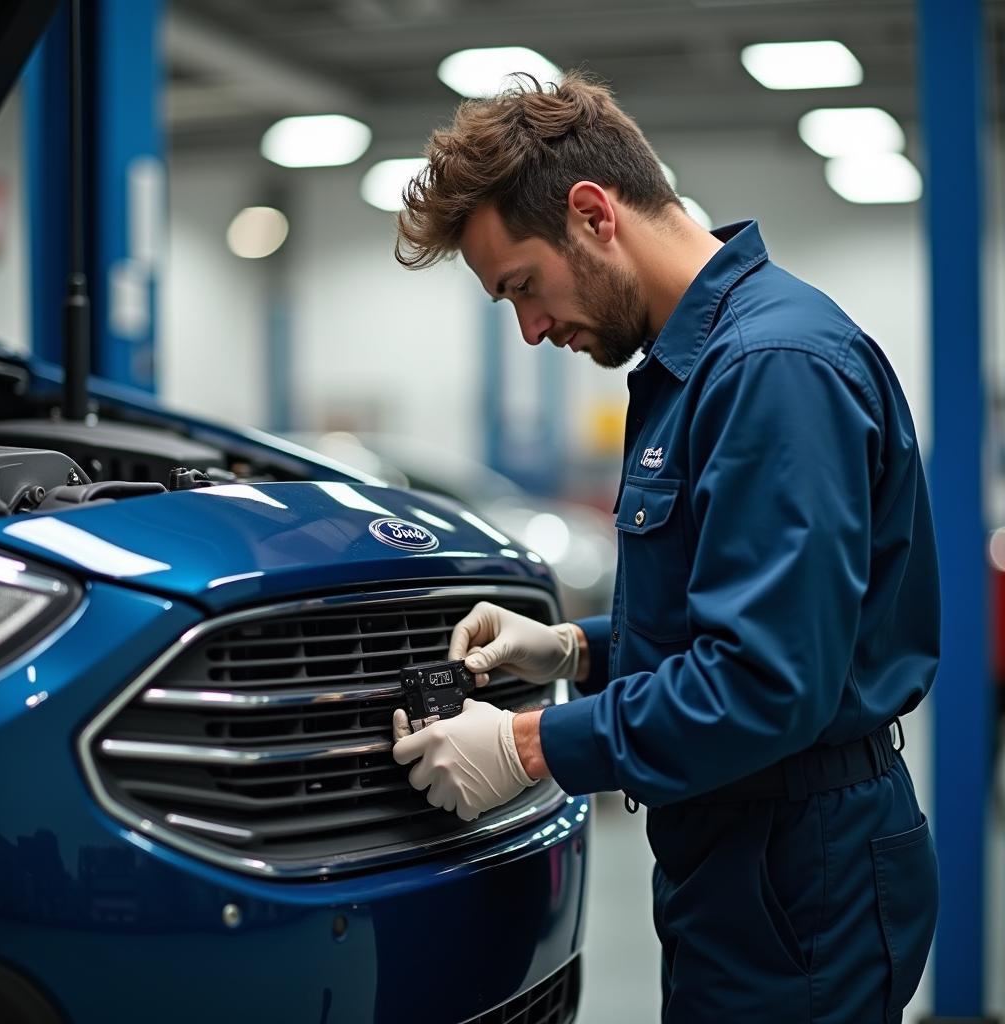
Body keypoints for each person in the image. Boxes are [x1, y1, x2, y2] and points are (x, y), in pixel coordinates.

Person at [389, 72, 940, 1024]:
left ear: (595, 214)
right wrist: (573, 647)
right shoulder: (702, 368)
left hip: (799, 872)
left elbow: (764, 683)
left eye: (523, 285)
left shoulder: (771, 371)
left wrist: (528, 744)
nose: (528, 329)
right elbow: (732, 616)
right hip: (745, 854)